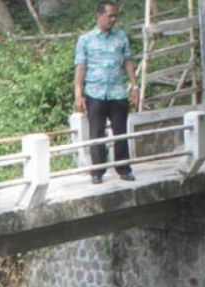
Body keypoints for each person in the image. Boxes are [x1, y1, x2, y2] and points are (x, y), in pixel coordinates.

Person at [75, 1, 139, 184]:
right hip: (95, 93)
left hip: (118, 93)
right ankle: (97, 171)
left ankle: (124, 168)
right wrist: (78, 94)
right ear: (99, 16)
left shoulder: (121, 38)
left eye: (115, 16)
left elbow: (127, 62)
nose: (113, 19)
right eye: (109, 15)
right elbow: (80, 67)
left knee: (121, 132)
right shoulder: (86, 40)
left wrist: (134, 85)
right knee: (97, 133)